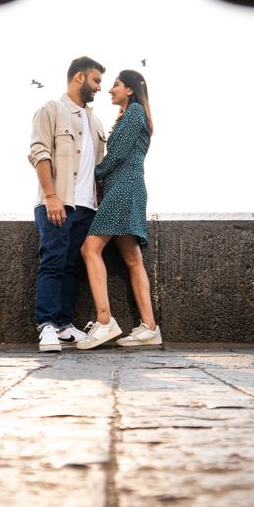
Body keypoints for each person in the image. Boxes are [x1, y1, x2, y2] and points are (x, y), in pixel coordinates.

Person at [76, 70, 161, 349]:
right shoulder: (131, 115)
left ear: (130, 89)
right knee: (133, 259)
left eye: (115, 85)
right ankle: (149, 328)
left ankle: (105, 321)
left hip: (124, 190)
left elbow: (118, 154)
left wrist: (91, 173)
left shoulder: (135, 111)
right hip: (127, 189)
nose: (110, 90)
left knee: (90, 249)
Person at [28, 56, 108, 352]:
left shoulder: (95, 121)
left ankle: (64, 324)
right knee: (53, 261)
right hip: (58, 201)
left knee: (72, 265)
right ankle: (46, 325)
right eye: (96, 80)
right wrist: (51, 196)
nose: (100, 87)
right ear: (79, 78)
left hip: (88, 207)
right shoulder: (51, 110)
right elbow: (38, 152)